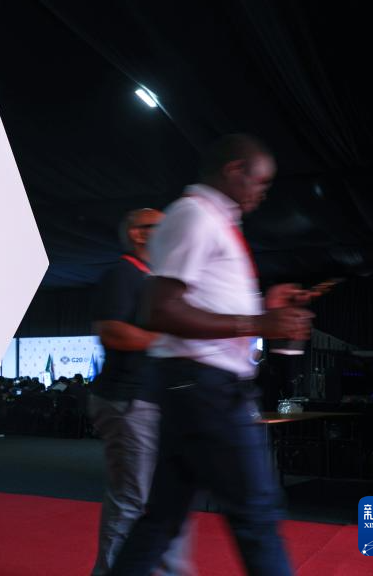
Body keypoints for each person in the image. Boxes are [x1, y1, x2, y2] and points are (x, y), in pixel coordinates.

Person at [108, 134, 314, 576]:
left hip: (193, 384)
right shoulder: (194, 215)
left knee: (162, 518)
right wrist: (258, 323)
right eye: (261, 181)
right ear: (235, 170)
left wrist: (265, 309)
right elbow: (159, 310)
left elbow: (204, 304)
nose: (263, 191)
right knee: (256, 512)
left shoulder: (214, 221)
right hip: (205, 387)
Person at [88, 209, 193, 576]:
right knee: (132, 500)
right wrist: (170, 338)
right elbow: (112, 332)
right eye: (161, 227)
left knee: (164, 498)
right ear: (138, 234)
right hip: (128, 400)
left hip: (152, 400)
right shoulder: (123, 274)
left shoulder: (154, 279)